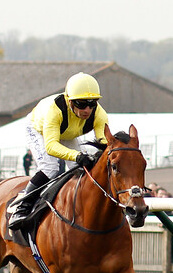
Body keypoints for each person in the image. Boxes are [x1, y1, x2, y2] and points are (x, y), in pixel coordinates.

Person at [7, 72, 109, 229]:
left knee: (81, 170)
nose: (87, 110)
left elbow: (104, 142)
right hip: (38, 129)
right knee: (51, 169)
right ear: (70, 101)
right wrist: (77, 155)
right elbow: (51, 146)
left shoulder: (99, 114)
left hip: (67, 132)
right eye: (81, 104)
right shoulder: (55, 110)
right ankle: (21, 207)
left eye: (92, 103)